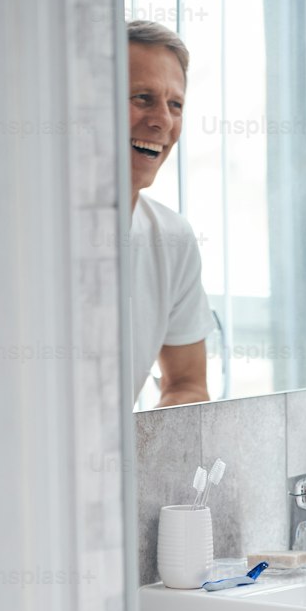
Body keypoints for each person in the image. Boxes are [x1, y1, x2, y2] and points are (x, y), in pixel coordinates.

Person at [127, 20, 212, 405]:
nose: (162, 120)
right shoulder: (25, 231)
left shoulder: (172, 239)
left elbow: (187, 385)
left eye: (175, 104)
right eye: (142, 97)